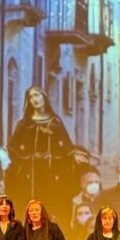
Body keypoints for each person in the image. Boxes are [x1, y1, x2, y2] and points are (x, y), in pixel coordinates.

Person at [6, 86, 75, 215]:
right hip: (29, 175)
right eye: (31, 97)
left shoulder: (55, 123)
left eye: (37, 95)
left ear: (44, 97)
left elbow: (66, 148)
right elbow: (13, 148)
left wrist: (73, 157)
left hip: (51, 173)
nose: (34, 100)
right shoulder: (25, 124)